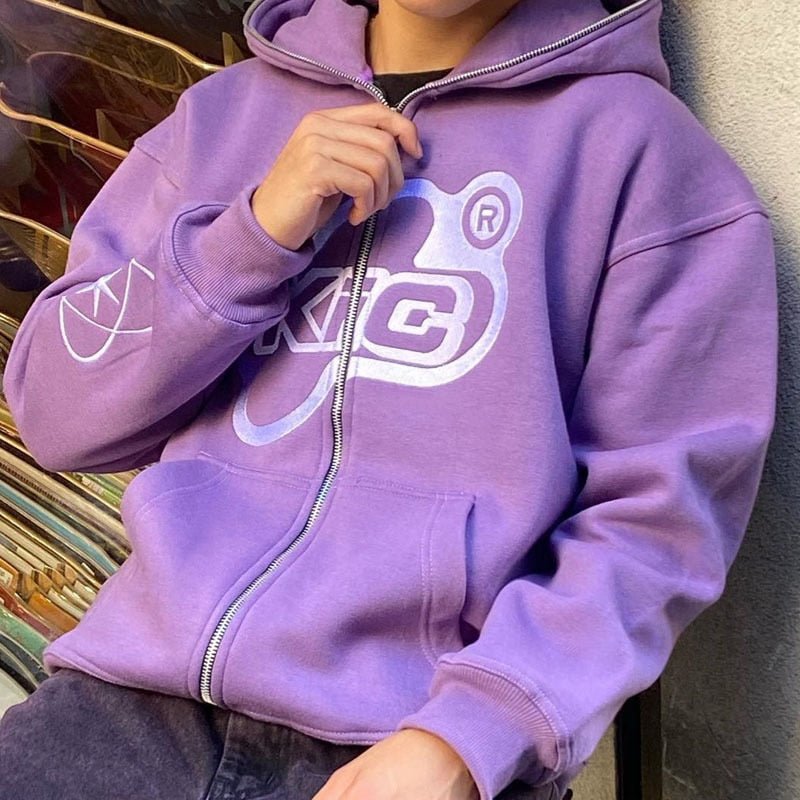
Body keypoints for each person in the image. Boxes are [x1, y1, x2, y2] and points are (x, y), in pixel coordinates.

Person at [0, 0, 778, 798]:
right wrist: (250, 237)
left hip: (418, 741)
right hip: (127, 707)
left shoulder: (645, 159)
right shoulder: (216, 120)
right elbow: (58, 415)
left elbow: (657, 524)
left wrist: (468, 738)